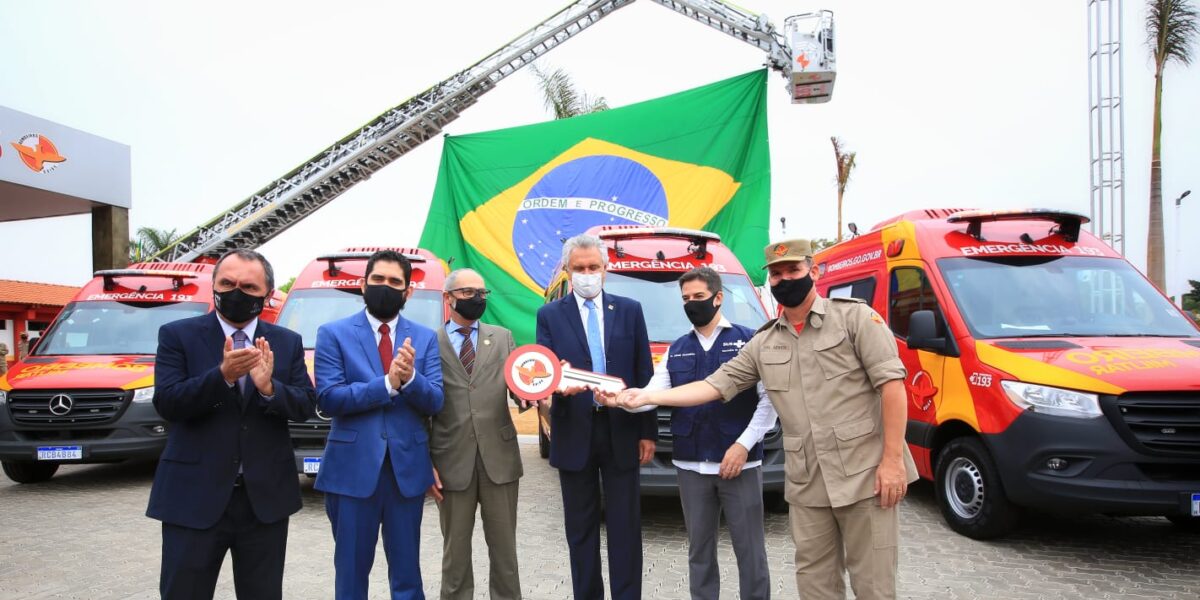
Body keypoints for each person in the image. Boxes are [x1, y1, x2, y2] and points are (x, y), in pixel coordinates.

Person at [609, 239, 918, 600]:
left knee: (873, 586)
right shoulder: (763, 342)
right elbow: (712, 386)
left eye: (793, 270)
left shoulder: (855, 320)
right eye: (776, 274)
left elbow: (893, 388)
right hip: (807, 482)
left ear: (814, 272)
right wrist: (642, 396)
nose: (784, 279)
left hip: (865, 475)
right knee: (815, 583)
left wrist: (893, 461)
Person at [146, 248, 317, 600]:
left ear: (267, 295)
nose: (236, 292)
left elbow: (303, 405)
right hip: (193, 497)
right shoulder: (178, 335)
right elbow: (168, 402)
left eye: (248, 287)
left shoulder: (286, 342)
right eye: (227, 283)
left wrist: (269, 388)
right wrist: (222, 376)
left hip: (263, 501)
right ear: (214, 285)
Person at [632, 266, 776, 600]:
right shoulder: (676, 349)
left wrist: (743, 445)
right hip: (691, 466)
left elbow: (770, 402)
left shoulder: (749, 340)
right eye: (686, 299)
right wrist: (620, 398)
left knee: (751, 552)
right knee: (699, 552)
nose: (692, 304)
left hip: (739, 465)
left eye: (699, 297)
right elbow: (651, 396)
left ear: (718, 297)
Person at [314, 249, 444, 600]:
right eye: (378, 280)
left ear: (408, 291)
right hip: (351, 473)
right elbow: (328, 397)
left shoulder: (426, 337)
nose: (385, 287)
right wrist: (387, 384)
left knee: (407, 575)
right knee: (352, 573)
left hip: (406, 473)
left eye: (394, 282)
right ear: (362, 285)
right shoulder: (333, 334)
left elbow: (435, 400)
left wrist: (411, 376)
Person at [534, 233, 656, 600]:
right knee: (580, 529)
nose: (587, 274)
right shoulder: (549, 315)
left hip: (622, 430)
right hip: (574, 431)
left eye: (593, 267)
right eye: (579, 268)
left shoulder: (630, 309)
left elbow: (643, 371)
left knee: (625, 527)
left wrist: (647, 431)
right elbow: (543, 372)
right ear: (568, 273)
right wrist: (557, 386)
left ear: (606, 269)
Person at [429, 268, 523, 600]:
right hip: (451, 463)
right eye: (468, 293)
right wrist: (427, 462)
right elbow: (423, 409)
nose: (477, 299)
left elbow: (519, 390)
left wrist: (531, 394)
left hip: (500, 460)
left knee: (505, 553)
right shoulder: (430, 342)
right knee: (455, 553)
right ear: (448, 297)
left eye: (482, 293)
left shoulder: (503, 337)